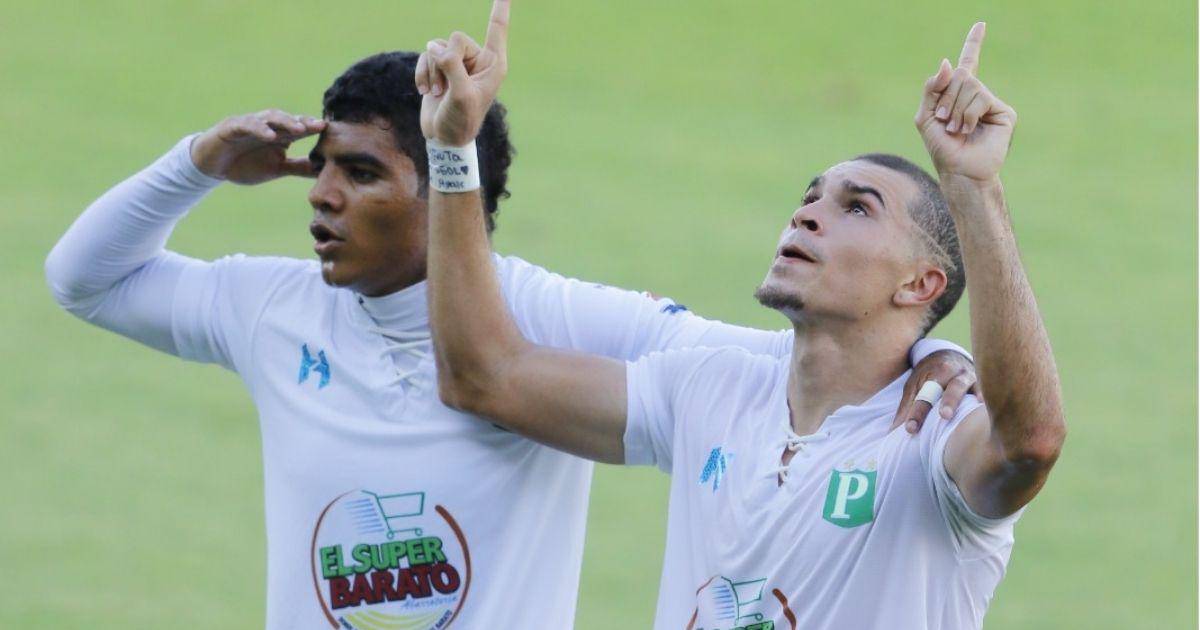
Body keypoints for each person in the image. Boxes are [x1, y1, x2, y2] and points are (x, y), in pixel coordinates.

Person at [43, 4, 975, 628]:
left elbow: (778, 362)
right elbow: (84, 279)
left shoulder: (544, 313)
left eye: (360, 173)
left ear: (445, 190)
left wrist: (932, 357)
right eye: (320, 169)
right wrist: (197, 163)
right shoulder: (272, 307)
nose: (321, 195)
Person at [423, 8, 1065, 629]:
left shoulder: (930, 434)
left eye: (857, 208)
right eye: (810, 197)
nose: (806, 215)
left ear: (920, 284)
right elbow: (484, 378)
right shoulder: (710, 387)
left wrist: (974, 188)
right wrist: (453, 149)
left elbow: (1029, 443)